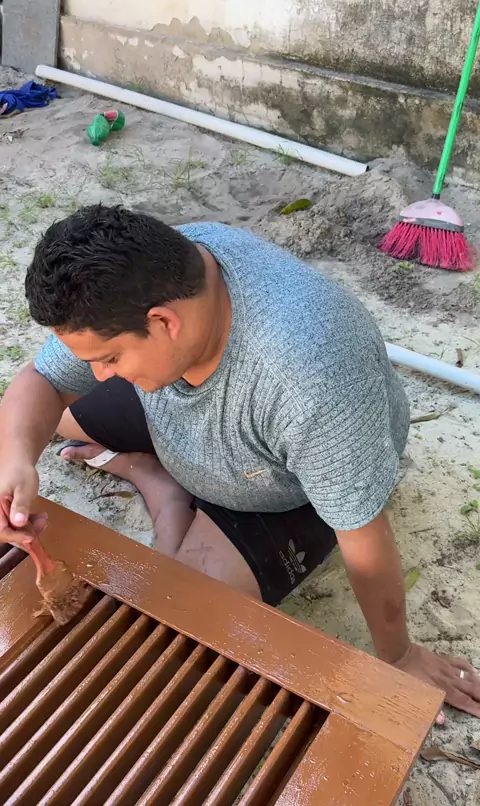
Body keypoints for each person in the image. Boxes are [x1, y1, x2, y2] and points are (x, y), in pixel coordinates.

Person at [0, 204, 479, 718]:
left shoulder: (311, 384)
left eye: (109, 358)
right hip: (178, 410)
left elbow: (362, 532)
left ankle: (166, 496)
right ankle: (156, 473)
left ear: (163, 322)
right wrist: (16, 461)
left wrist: (399, 655)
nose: (98, 375)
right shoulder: (154, 271)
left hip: (280, 484)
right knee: (40, 420)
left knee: (176, 617)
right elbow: (43, 381)